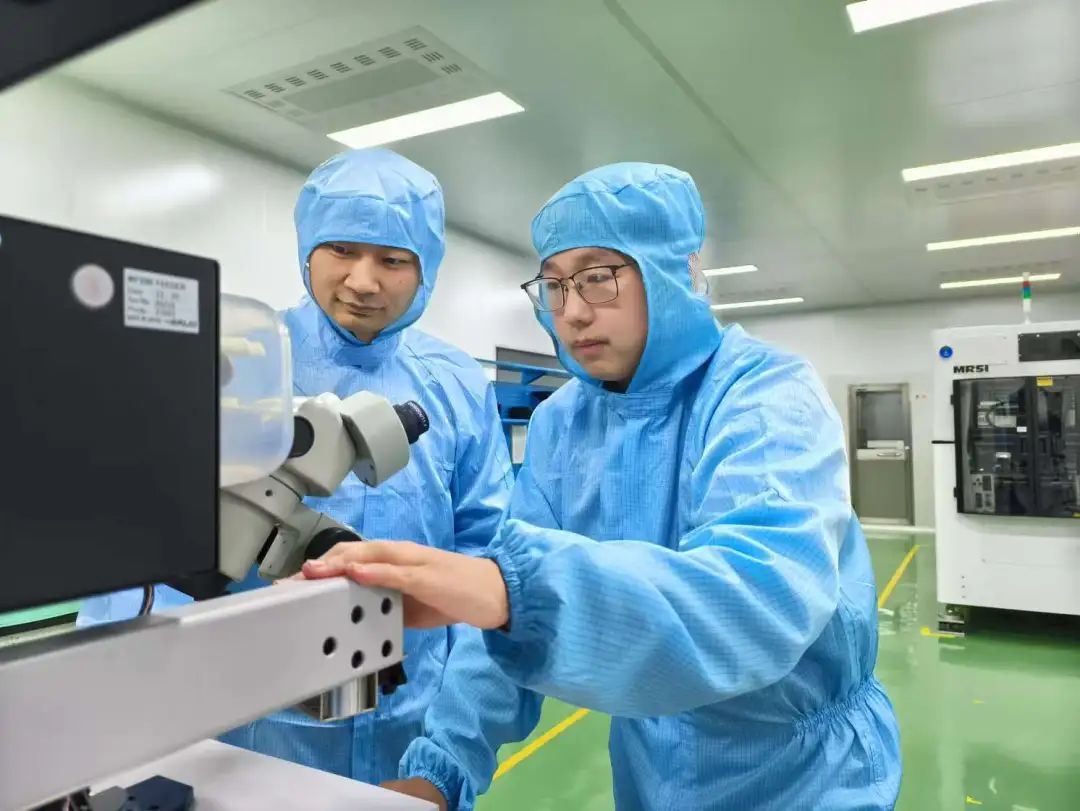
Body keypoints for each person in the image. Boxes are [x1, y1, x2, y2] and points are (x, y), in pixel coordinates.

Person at [301, 162, 904, 810]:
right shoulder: (564, 422)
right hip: (651, 768)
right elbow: (497, 629)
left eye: (598, 278)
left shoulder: (764, 394)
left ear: (671, 274)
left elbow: (758, 598)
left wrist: (512, 590)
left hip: (803, 776)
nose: (573, 312)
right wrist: (440, 770)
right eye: (555, 285)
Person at [78, 148, 540, 810]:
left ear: (427, 269)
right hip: (251, 741)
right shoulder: (237, 360)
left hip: (412, 736)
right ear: (307, 250)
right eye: (342, 250)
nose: (363, 280)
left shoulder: (457, 386)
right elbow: (141, 569)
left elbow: (487, 578)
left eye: (393, 259)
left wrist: (445, 764)